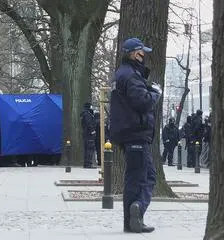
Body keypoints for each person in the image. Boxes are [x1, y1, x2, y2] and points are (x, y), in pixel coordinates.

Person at [109, 38, 162, 233]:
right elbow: (142, 102)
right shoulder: (130, 75)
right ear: (133, 53)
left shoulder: (122, 74)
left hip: (127, 132)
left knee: (135, 177)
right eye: (141, 52)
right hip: (136, 133)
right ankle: (138, 208)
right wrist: (156, 93)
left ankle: (131, 221)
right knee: (145, 176)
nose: (144, 56)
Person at [80, 102, 96, 168]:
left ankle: (86, 163)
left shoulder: (83, 114)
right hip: (89, 133)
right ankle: (89, 164)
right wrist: (92, 131)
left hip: (85, 133)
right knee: (90, 148)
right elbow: (89, 123)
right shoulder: (87, 114)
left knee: (87, 148)